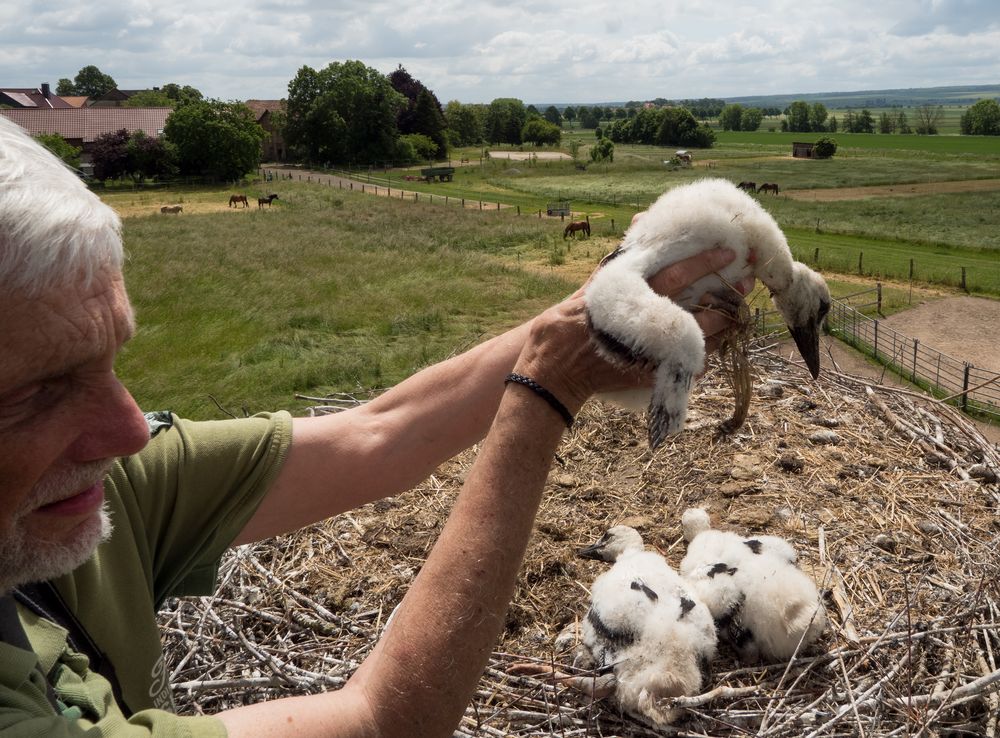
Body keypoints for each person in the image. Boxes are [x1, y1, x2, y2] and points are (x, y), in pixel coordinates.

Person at [0, 114, 748, 737]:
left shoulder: (96, 486)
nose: (130, 430)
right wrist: (548, 390)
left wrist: (592, 309)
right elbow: (380, 719)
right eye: (36, 391)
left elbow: (381, 434)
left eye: (111, 362)